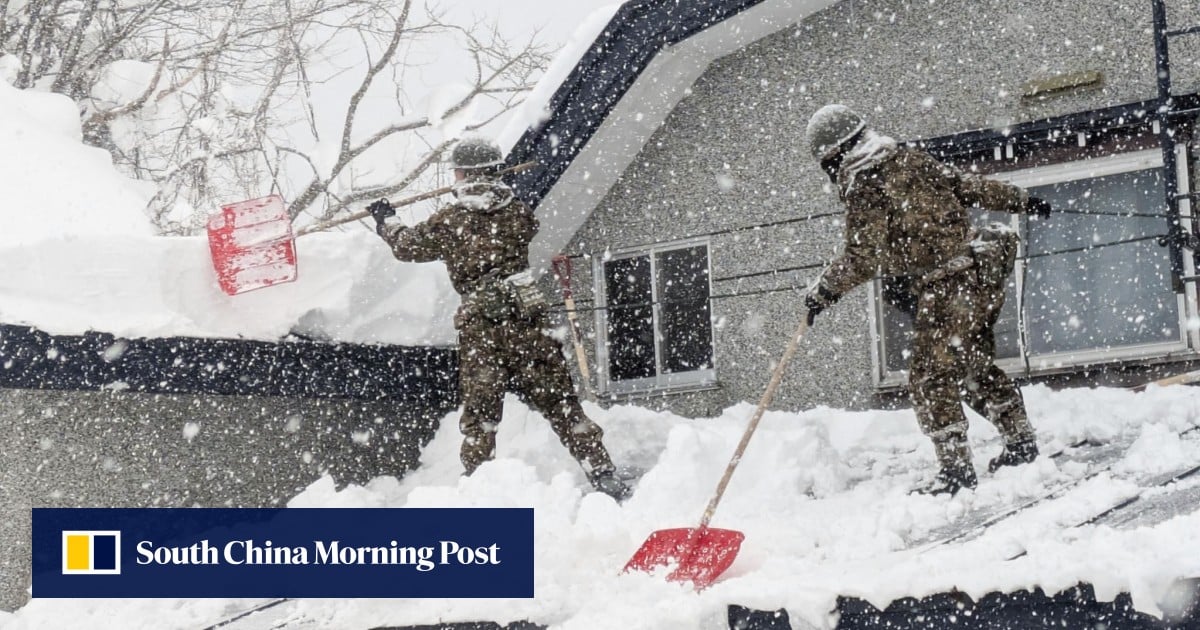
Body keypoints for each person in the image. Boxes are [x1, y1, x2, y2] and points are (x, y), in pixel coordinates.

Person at [802, 104, 1052, 495]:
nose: (830, 171)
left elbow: (862, 258)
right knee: (973, 366)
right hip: (980, 277)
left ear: (839, 153)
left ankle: (955, 472)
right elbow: (967, 186)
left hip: (948, 285)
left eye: (828, 162)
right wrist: (1022, 200)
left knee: (930, 378)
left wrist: (824, 291)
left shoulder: (866, 184)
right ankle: (1020, 442)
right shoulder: (911, 160)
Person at [367, 138, 632, 501]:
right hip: (528, 323)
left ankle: (479, 489)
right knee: (561, 404)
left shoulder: (451, 221)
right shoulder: (517, 213)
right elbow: (522, 223)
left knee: (481, 417)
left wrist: (387, 220)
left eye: (457, 171)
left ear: (465, 174)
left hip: (483, 330)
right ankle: (602, 471)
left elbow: (407, 247)